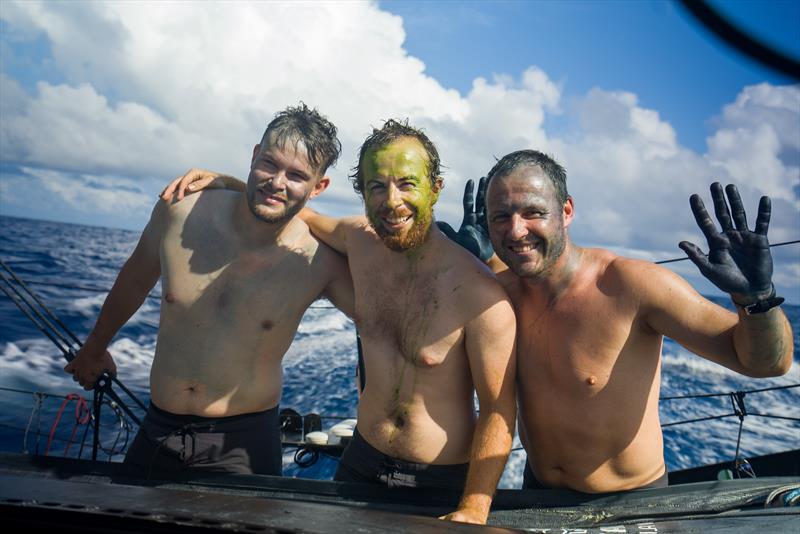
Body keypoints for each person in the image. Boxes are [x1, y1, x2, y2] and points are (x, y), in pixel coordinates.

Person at [163, 120, 517, 525]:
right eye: (376, 186)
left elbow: (498, 410)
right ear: (361, 192)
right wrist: (229, 182)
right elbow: (296, 210)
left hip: (436, 482)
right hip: (359, 463)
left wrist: (475, 505)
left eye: (407, 184)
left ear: (435, 188)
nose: (391, 201)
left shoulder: (481, 294)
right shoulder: (358, 241)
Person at [447, 149, 794, 493]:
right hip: (538, 492)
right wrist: (466, 267)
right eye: (501, 217)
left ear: (566, 211)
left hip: (633, 500)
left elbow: (767, 364)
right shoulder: (499, 292)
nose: (516, 231)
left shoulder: (634, 286)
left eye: (533, 212)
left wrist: (757, 298)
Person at [65, 104, 354, 478]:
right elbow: (135, 279)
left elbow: (380, 323)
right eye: (269, 164)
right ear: (253, 156)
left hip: (243, 443)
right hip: (157, 427)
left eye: (296, 175)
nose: (277, 182)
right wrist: (94, 347)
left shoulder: (320, 260)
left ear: (318, 187)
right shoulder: (180, 212)